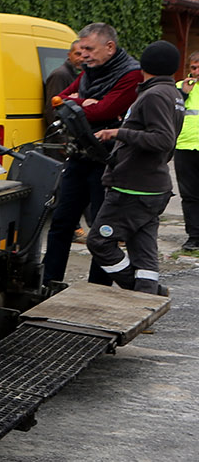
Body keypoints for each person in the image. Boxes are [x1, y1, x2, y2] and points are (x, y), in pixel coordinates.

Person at [43, 23, 146, 286]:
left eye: (89, 48)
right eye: (81, 49)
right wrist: (82, 103)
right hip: (79, 155)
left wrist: (79, 104)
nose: (83, 54)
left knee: (102, 230)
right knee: (62, 222)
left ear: (109, 47)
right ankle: (49, 282)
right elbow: (58, 100)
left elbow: (104, 111)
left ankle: (97, 288)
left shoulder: (131, 75)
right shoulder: (89, 71)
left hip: (108, 161)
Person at [85, 40, 184, 294]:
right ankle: (148, 295)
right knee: (143, 248)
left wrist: (118, 132)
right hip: (152, 186)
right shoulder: (172, 93)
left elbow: (162, 139)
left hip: (133, 187)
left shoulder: (154, 95)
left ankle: (142, 293)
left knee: (99, 242)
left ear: (145, 64)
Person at [177, 53, 199, 251]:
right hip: (184, 147)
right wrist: (184, 93)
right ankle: (193, 236)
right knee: (189, 194)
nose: (196, 72)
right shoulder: (179, 87)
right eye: (193, 68)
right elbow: (170, 111)